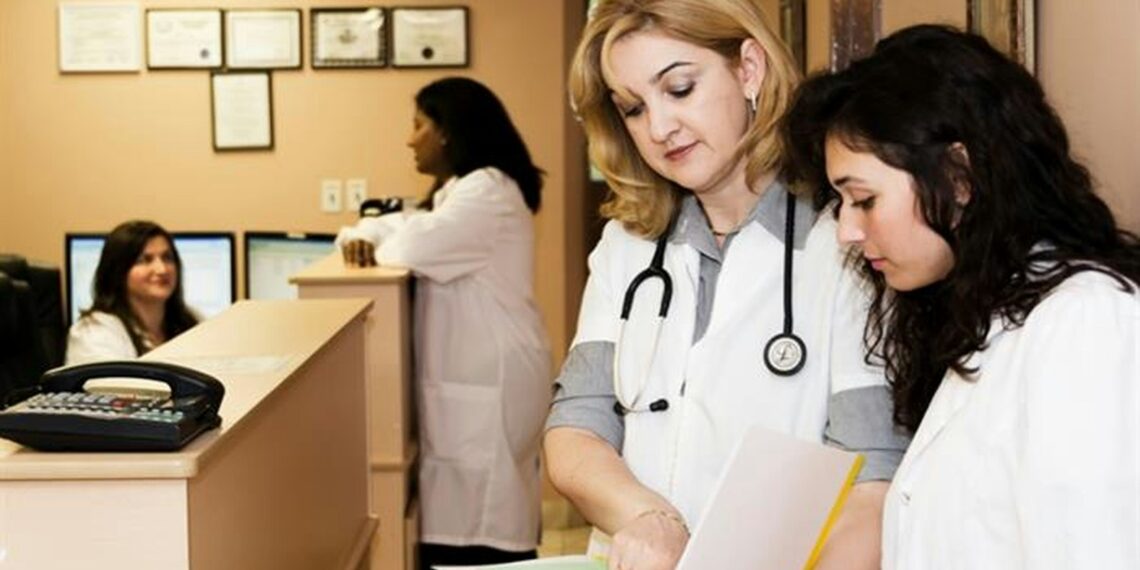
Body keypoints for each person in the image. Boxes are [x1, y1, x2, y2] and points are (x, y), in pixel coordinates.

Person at [544, 1, 909, 569]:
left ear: (749, 69)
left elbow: (874, 472)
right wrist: (647, 517)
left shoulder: (847, 238)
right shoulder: (629, 243)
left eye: (680, 88)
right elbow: (574, 430)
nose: (659, 128)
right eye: (634, 108)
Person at [783, 24, 1140, 569]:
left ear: (959, 175)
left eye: (864, 199)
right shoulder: (974, 322)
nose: (847, 232)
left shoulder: (1087, 322)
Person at [336, 76, 552, 569]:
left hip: (490, 378)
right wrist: (368, 229)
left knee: (484, 524)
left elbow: (407, 245)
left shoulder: (487, 190)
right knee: (474, 509)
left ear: (449, 132)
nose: (410, 139)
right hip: (480, 373)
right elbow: (401, 224)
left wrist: (373, 232)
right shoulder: (459, 191)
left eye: (418, 125)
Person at [66, 220, 199, 364]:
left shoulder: (191, 322)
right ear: (118, 271)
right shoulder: (94, 332)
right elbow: (112, 385)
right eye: (145, 260)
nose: (162, 269)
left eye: (167, 258)